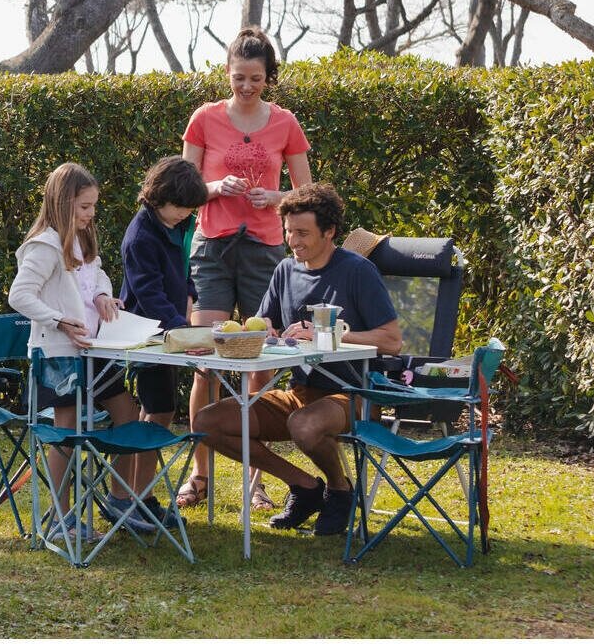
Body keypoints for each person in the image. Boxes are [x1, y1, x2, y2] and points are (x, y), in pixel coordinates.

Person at [197, 182, 403, 537]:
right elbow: (263, 326)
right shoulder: (285, 270)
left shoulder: (356, 271)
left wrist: (328, 333)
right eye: (289, 232)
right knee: (208, 422)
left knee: (303, 425)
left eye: (303, 233)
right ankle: (306, 487)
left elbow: (392, 341)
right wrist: (259, 334)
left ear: (330, 232)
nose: (294, 241)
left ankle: (340, 490)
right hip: (299, 392)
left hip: (353, 394)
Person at [176, 26, 314, 512]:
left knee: (259, 368)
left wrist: (275, 198)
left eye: (256, 78)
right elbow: (184, 186)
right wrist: (216, 188)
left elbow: (306, 194)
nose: (247, 86)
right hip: (212, 248)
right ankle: (200, 475)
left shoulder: (286, 123)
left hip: (263, 251)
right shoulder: (204, 119)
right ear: (228, 74)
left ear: (268, 78)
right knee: (205, 363)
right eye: (239, 78)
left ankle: (256, 480)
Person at [7, 161, 151, 535]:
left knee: (127, 412)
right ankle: (61, 517)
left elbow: (96, 272)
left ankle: (119, 499)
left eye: (93, 206)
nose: (91, 214)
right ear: (63, 202)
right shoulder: (44, 246)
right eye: (85, 206)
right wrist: (58, 320)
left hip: (97, 348)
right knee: (66, 431)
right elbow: (19, 295)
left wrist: (104, 294)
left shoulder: (83, 239)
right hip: (59, 352)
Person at [118, 155, 207, 527]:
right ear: (158, 198)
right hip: (148, 333)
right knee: (159, 410)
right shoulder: (140, 236)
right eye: (181, 208)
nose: (186, 215)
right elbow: (149, 293)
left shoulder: (173, 225)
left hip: (168, 330)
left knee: (157, 410)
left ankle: (141, 494)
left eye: (190, 210)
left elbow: (182, 269)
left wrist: (190, 292)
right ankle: (139, 498)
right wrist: (182, 331)